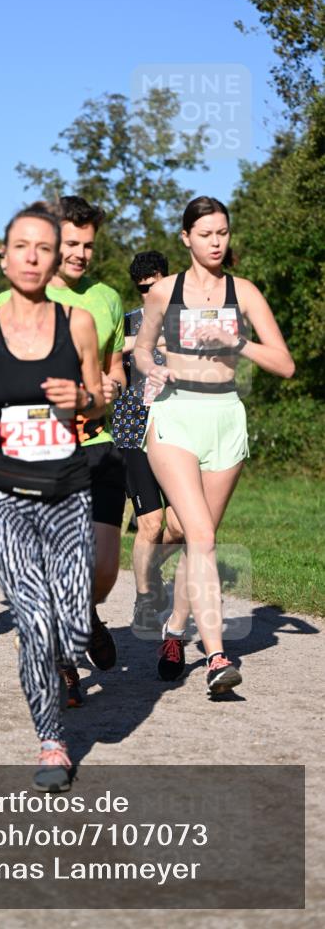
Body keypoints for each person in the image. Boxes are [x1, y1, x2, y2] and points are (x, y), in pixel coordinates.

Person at [0, 205, 105, 791]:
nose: (32, 257)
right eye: (21, 247)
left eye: (44, 247)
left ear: (54, 258)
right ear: (5, 258)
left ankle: (71, 643)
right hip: (6, 495)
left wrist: (82, 400)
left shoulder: (77, 324)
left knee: (72, 628)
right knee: (34, 619)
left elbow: (100, 400)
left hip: (68, 492)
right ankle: (52, 741)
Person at [134, 196, 294, 694]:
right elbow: (142, 348)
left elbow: (285, 365)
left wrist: (237, 343)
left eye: (222, 232)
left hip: (225, 418)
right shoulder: (163, 291)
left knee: (196, 538)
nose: (216, 242)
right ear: (186, 238)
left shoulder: (243, 292)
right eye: (206, 234)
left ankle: (174, 631)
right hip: (175, 416)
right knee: (202, 536)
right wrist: (152, 367)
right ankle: (217, 657)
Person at [0, 196, 126, 706]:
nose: (80, 254)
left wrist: (111, 387)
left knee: (104, 569)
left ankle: (85, 613)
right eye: (72, 243)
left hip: (98, 445)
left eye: (88, 246)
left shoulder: (106, 299)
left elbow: (114, 369)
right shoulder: (12, 300)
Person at [112, 251, 184, 633]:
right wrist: (133, 343)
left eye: (154, 286)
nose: (149, 294)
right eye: (142, 289)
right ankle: (144, 600)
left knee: (181, 527)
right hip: (132, 431)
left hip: (178, 430)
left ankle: (149, 571)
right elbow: (103, 359)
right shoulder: (124, 322)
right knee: (151, 525)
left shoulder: (186, 320)